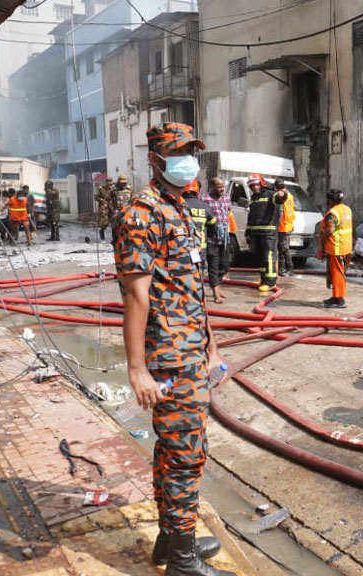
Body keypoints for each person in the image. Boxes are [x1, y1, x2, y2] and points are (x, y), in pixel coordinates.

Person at [113, 122, 234, 576]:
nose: (189, 160)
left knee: (173, 450)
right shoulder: (140, 214)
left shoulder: (181, 208)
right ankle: (183, 563)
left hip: (192, 351)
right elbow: (135, 296)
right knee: (185, 455)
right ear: (155, 158)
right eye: (178, 151)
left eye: (192, 151)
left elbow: (191, 291)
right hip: (168, 359)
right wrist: (137, 370)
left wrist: (213, 347)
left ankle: (170, 540)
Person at [244, 174, 287, 292]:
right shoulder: (254, 198)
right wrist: (248, 232)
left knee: (269, 257)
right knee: (260, 257)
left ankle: (271, 282)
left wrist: (282, 194)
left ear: (261, 183)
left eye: (256, 185)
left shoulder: (271, 195)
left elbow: (280, 199)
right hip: (256, 233)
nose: (254, 188)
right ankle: (263, 279)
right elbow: (251, 216)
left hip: (268, 232)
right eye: (252, 186)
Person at [317, 188, 353, 309]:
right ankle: (336, 296)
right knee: (340, 273)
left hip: (336, 248)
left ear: (331, 200)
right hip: (346, 246)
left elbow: (330, 229)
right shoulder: (347, 209)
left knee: (337, 274)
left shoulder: (333, 214)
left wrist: (322, 242)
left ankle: (339, 299)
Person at [200, 177, 232, 304]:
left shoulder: (226, 198)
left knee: (223, 265)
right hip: (211, 239)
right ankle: (215, 294)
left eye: (223, 187)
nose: (222, 189)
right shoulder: (203, 199)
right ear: (211, 187)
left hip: (224, 239)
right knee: (213, 265)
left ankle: (218, 289)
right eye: (219, 187)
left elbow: (228, 210)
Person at [182, 180, 217, 280]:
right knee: (199, 272)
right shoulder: (205, 206)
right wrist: (208, 236)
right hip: (200, 246)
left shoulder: (180, 205)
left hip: (183, 246)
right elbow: (213, 226)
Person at [275, 178, 296, 277]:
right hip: (288, 224)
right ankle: (282, 268)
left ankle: (289, 267)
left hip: (283, 226)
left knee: (283, 248)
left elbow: (280, 212)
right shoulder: (290, 195)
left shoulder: (281, 196)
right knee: (282, 247)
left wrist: (275, 225)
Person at [97, 177, 118, 241]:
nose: (110, 185)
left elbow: (116, 197)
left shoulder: (114, 189)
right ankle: (101, 231)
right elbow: (96, 197)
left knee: (113, 222)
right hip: (104, 207)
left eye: (111, 183)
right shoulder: (101, 188)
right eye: (108, 183)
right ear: (106, 183)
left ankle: (114, 238)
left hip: (112, 207)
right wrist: (101, 200)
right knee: (105, 222)